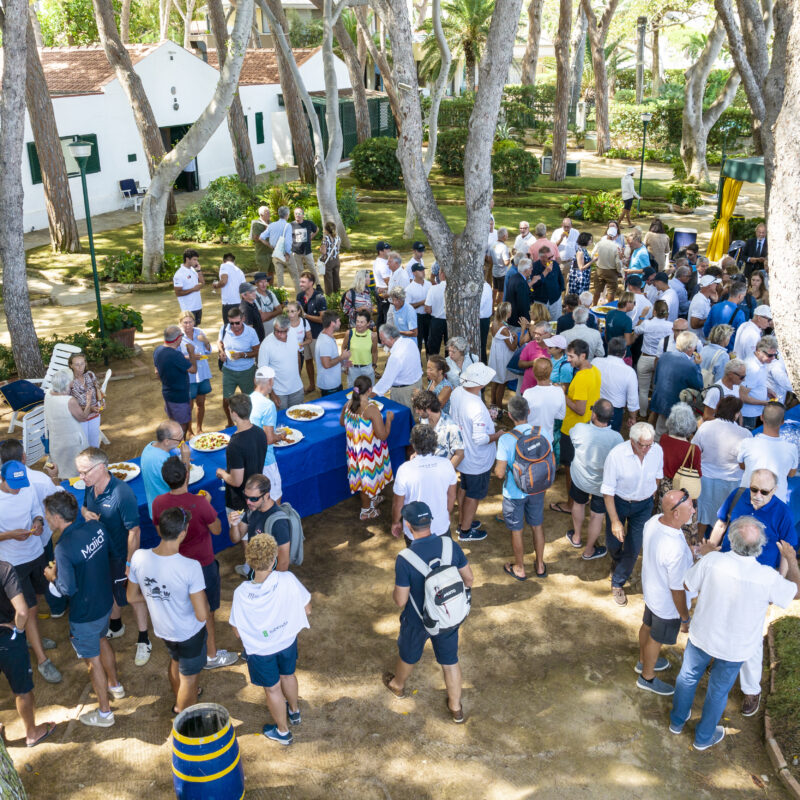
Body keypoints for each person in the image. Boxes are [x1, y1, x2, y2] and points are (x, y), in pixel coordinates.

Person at [669, 517, 799, 750]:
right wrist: (791, 560)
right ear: (760, 547)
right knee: (718, 691)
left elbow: (687, 585)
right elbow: (795, 592)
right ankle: (703, 737)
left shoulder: (712, 561)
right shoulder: (767, 577)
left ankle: (677, 722)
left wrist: (705, 555)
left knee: (687, 677)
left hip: (702, 635)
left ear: (731, 539)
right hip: (735, 647)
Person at [382, 501, 473, 723]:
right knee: (450, 660)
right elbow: (469, 579)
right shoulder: (451, 545)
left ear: (408, 525)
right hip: (447, 617)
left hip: (418, 619)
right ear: (430, 521)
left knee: (409, 654)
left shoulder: (405, 558)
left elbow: (400, 600)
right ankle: (455, 707)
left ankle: (397, 685)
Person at [43, 491, 124, 728]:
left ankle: (105, 712)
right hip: (104, 602)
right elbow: (110, 553)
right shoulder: (96, 528)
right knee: (102, 640)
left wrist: (51, 577)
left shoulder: (63, 548)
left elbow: (66, 589)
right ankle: (115, 685)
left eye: (47, 515)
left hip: (84, 613)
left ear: (57, 517)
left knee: (92, 661)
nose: (46, 519)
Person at [152, 457, 238, 670]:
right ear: (187, 476)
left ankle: (191, 650)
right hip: (202, 565)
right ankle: (211, 655)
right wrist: (207, 505)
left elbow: (160, 532)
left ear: (165, 480)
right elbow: (217, 529)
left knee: (184, 607)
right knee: (206, 610)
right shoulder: (200, 503)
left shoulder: (158, 503)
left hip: (174, 566)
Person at [229, 533, 311, 746]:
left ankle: (283, 732)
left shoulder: (240, 593)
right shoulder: (288, 579)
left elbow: (237, 631)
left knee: (273, 689)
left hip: (261, 651)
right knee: (288, 675)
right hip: (287, 642)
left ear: (249, 561)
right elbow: (307, 608)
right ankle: (294, 711)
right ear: (274, 558)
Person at [128, 507, 209, 715]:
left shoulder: (138, 557)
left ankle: (179, 700)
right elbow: (202, 614)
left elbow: (131, 597)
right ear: (183, 532)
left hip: (163, 630)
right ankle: (183, 716)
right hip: (189, 632)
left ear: (159, 530)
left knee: (175, 660)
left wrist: (157, 600)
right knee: (189, 679)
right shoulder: (190, 566)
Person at [77, 447, 152, 666]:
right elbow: (83, 507)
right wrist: (86, 514)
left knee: (131, 596)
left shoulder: (122, 494)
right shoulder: (90, 487)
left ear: (101, 467)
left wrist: (130, 563)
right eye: (79, 472)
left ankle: (144, 638)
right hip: (99, 555)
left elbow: (134, 532)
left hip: (120, 556)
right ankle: (116, 625)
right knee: (109, 590)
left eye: (85, 472)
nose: (81, 477)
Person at [0, 461, 61, 683]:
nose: (18, 488)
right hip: (13, 564)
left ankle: (29, 634)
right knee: (30, 610)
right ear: (2, 479)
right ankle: (43, 661)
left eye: (21, 482)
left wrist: (38, 522)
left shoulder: (26, 487)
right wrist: (9, 535)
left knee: (37, 599)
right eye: (13, 484)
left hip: (35, 554)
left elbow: (37, 509)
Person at [636, 489, 696, 697]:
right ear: (676, 514)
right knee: (656, 638)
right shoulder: (675, 549)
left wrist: (695, 552)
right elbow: (677, 590)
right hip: (667, 605)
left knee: (647, 625)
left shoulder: (654, 521)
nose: (694, 511)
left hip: (652, 592)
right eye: (690, 508)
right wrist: (684, 617)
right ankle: (647, 677)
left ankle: (643, 661)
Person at [601, 422, 663, 606]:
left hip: (643, 505)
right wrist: (614, 521)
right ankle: (618, 561)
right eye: (642, 445)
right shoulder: (616, 455)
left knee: (634, 546)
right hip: (619, 503)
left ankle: (618, 582)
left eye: (649, 444)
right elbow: (607, 491)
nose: (646, 449)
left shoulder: (657, 451)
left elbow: (658, 475)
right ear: (632, 441)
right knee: (613, 542)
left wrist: (652, 493)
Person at [494, 395, 548, 580]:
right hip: (537, 488)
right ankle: (540, 565)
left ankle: (519, 568)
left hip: (514, 491)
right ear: (529, 412)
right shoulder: (543, 432)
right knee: (537, 526)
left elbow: (500, 473)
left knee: (517, 530)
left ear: (510, 415)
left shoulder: (506, 440)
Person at [449, 363, 502, 542]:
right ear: (479, 384)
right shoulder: (476, 407)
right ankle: (465, 530)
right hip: (477, 460)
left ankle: (463, 522)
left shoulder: (457, 392)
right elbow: (480, 439)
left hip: (463, 454)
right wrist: (497, 435)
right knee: (474, 494)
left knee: (464, 486)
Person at [566, 400, 621, 559]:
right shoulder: (616, 438)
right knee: (597, 515)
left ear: (594, 414)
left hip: (580, 478)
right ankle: (589, 549)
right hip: (602, 484)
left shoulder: (580, 429)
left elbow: (572, 438)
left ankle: (576, 537)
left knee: (578, 504)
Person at [552, 340, 602, 515]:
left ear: (583, 356)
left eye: (572, 356)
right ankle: (581, 499)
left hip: (573, 430)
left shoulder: (580, 378)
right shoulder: (594, 370)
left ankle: (571, 504)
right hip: (588, 428)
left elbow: (580, 409)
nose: (569, 359)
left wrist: (562, 393)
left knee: (570, 470)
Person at [691, 396, 751, 537]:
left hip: (705, 479)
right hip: (731, 483)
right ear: (736, 414)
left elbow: (694, 450)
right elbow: (745, 464)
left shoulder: (706, 427)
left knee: (703, 515)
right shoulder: (745, 434)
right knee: (724, 519)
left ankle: (698, 544)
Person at [341, 375, 394, 521]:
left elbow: (342, 422)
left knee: (362, 478)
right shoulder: (371, 409)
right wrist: (388, 420)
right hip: (369, 454)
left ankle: (373, 498)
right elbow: (382, 435)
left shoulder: (349, 404)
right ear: (370, 390)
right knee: (366, 481)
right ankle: (366, 511)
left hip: (354, 451)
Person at [392, 425, 457, 540]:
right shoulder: (447, 464)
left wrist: (396, 522)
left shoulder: (404, 469)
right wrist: (446, 513)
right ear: (434, 444)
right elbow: (451, 496)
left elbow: (398, 504)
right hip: (441, 526)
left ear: (413, 444)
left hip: (415, 529)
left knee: (416, 558)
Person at [216, 394, 267, 526]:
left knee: (244, 538)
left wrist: (222, 473)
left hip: (241, 500)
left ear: (234, 413)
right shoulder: (260, 432)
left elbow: (236, 481)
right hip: (258, 494)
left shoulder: (235, 444)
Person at [227, 474, 293, 572]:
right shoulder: (252, 509)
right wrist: (234, 525)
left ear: (266, 496)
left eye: (254, 498)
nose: (248, 502)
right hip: (256, 569)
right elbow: (235, 538)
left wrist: (268, 584)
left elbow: (283, 563)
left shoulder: (278, 522)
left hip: (269, 575)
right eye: (246, 496)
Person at [737, 401, 798, 502]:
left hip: (748, 500)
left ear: (761, 417)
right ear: (783, 422)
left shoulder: (747, 443)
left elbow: (742, 466)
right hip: (776, 502)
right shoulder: (791, 448)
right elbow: (791, 474)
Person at [650, 332, 702, 439]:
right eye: (694, 345)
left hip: (661, 399)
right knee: (674, 435)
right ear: (690, 348)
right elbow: (699, 385)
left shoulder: (664, 356)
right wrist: (698, 366)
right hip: (676, 405)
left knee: (659, 431)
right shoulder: (690, 366)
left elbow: (657, 375)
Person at [250, 366, 287, 501]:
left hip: (251, 457)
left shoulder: (248, 399)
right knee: (275, 496)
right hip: (266, 459)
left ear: (255, 381)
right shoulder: (268, 405)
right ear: (271, 381)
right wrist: (280, 436)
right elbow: (269, 439)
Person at [218, 306, 260, 425]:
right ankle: (230, 423)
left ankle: (250, 423)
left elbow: (257, 351)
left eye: (237, 323)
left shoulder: (251, 332)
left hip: (247, 371)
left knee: (249, 400)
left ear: (243, 319)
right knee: (226, 400)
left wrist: (243, 355)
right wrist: (221, 352)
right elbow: (219, 343)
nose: (235, 326)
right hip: (229, 370)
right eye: (232, 323)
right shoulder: (224, 329)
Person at [44, 368, 89, 479]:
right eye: (71, 381)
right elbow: (83, 417)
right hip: (72, 442)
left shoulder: (48, 394)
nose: (73, 383)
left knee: (60, 468)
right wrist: (88, 402)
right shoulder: (69, 400)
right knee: (76, 471)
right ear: (67, 384)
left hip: (56, 440)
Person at [141, 419, 191, 515]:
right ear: (167, 441)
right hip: (169, 513)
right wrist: (185, 460)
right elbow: (183, 487)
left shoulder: (149, 446)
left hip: (155, 507)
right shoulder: (163, 462)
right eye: (179, 439)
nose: (183, 441)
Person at [257, 316, 308, 410]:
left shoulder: (293, 333)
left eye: (283, 331)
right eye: (276, 331)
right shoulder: (266, 345)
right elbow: (262, 373)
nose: (279, 334)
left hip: (297, 389)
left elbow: (297, 354)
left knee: (299, 417)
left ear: (288, 329)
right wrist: (272, 394)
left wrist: (298, 377)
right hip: (278, 393)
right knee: (282, 423)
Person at [154, 325, 197, 433]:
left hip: (167, 393)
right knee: (182, 425)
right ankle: (179, 446)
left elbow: (157, 373)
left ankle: (176, 445)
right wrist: (191, 352)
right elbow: (193, 370)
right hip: (179, 396)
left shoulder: (158, 350)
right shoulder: (175, 355)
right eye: (181, 336)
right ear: (178, 339)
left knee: (173, 421)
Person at [633, 300, 672, 417]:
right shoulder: (670, 326)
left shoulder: (647, 324)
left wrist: (642, 317)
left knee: (643, 390)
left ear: (654, 312)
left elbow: (636, 330)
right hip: (661, 360)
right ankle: (654, 414)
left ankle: (643, 413)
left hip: (645, 358)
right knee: (657, 389)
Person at [372, 324, 423, 409]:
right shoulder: (410, 342)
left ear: (391, 338)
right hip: (417, 385)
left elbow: (385, 382)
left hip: (404, 393)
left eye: (383, 340)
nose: (382, 343)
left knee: (405, 419)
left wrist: (370, 394)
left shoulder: (396, 356)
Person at [594, 337, 639, 431]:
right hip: (614, 411)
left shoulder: (596, 362)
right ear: (624, 353)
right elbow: (632, 400)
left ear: (608, 349)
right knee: (611, 440)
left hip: (594, 405)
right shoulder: (629, 372)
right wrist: (632, 417)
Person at [178, 311, 212, 437]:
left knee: (201, 403)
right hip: (189, 375)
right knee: (189, 406)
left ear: (194, 321)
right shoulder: (179, 337)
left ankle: (199, 429)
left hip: (202, 373)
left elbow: (209, 351)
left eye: (190, 321)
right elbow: (176, 356)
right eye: (185, 322)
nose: (188, 325)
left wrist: (206, 341)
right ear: (180, 323)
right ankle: (189, 431)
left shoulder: (199, 332)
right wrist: (190, 357)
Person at [411, 390, 464, 467]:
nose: (416, 411)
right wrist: (416, 454)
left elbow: (460, 454)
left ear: (428, 409)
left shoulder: (452, 427)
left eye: (419, 409)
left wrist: (446, 472)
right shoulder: (423, 419)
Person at [297, 271, 327, 394]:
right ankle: (312, 385)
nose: (300, 284)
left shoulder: (320, 297)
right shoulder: (299, 296)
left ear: (311, 283)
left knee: (319, 362)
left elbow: (322, 319)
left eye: (303, 282)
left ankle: (323, 386)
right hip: (303, 336)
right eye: (300, 281)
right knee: (308, 361)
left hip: (316, 335)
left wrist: (306, 316)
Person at [522, 358, 566, 444]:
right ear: (550, 372)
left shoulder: (528, 393)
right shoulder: (559, 391)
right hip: (548, 438)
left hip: (529, 437)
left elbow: (523, 416)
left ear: (534, 373)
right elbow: (561, 416)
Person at [739, 335, 778, 429]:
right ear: (759, 351)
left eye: (775, 355)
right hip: (748, 414)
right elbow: (742, 396)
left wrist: (767, 390)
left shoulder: (761, 362)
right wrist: (764, 403)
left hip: (756, 411)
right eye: (770, 355)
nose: (773, 358)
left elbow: (756, 383)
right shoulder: (752, 368)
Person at [68, 352, 104, 449]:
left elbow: (98, 391)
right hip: (79, 417)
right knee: (83, 446)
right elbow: (68, 404)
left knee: (94, 444)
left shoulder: (90, 375)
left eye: (82, 363)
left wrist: (102, 402)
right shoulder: (69, 381)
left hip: (95, 415)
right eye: (77, 364)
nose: (80, 367)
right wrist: (89, 408)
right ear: (71, 365)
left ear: (85, 364)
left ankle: (95, 463)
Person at [261, 206, 298, 292]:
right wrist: (287, 253)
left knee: (280, 278)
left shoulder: (271, 225)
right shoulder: (287, 225)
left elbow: (261, 237)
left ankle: (282, 299)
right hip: (286, 255)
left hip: (276, 254)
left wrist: (270, 246)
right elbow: (288, 242)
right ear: (287, 215)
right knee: (295, 276)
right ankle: (300, 298)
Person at [488, 302, 517, 413]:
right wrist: (514, 337)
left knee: (495, 381)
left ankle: (493, 405)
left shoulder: (494, 323)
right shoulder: (504, 329)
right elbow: (512, 348)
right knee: (501, 382)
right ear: (507, 313)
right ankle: (499, 408)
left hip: (496, 356)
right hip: (502, 358)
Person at [703, 278, 747, 346]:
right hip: (729, 348)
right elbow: (741, 336)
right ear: (740, 296)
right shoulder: (739, 313)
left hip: (713, 345)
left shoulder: (715, 307)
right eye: (744, 296)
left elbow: (706, 328)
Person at [315, 310, 349, 396]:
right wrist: (342, 357)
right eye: (338, 321)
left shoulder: (327, 335)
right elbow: (326, 364)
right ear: (332, 323)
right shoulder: (325, 341)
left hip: (332, 383)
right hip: (329, 386)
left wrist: (343, 364)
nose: (340, 323)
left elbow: (332, 358)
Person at [343, 309, 378, 388]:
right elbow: (343, 348)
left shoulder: (373, 335)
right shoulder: (349, 333)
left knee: (368, 393)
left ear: (368, 323)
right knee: (354, 393)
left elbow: (374, 352)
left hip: (367, 370)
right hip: (353, 370)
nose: (359, 324)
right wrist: (345, 364)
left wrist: (374, 366)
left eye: (362, 322)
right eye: (357, 321)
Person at [592, 226, 624, 304]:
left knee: (597, 290)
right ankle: (610, 308)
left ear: (607, 234)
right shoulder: (616, 247)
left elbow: (593, 254)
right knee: (611, 291)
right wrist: (619, 270)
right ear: (616, 236)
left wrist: (597, 262)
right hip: (611, 271)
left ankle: (594, 305)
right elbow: (617, 262)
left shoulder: (600, 243)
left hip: (600, 269)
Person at [531, 247, 565, 320]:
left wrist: (560, 292)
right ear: (541, 258)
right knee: (541, 322)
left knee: (556, 321)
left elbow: (560, 278)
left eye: (552, 256)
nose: (551, 259)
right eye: (549, 258)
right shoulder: (534, 267)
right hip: (541, 301)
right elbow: (534, 285)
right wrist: (545, 272)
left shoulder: (555, 264)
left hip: (555, 299)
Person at [173, 248, 204, 325]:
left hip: (198, 306)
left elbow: (202, 283)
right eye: (194, 259)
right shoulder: (179, 274)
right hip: (188, 309)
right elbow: (178, 293)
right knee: (188, 330)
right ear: (187, 259)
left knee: (195, 329)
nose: (196, 262)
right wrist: (193, 289)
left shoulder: (193, 270)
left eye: (197, 260)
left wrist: (199, 271)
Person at [213, 253, 246, 324]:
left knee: (228, 325)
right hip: (239, 303)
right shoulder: (240, 271)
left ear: (223, 260)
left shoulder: (224, 266)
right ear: (234, 261)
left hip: (228, 302)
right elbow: (244, 289)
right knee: (238, 324)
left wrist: (216, 286)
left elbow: (224, 281)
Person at [406, 262, 432, 353]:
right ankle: (418, 364)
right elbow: (408, 307)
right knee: (418, 342)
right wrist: (422, 303)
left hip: (429, 316)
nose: (423, 272)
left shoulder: (429, 285)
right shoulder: (409, 289)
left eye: (423, 270)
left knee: (430, 341)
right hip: (417, 317)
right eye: (420, 270)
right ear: (414, 273)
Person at [688, 275, 721, 343]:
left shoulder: (704, 298)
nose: (717, 285)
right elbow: (694, 324)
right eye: (715, 283)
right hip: (697, 342)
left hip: (700, 340)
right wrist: (710, 319)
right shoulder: (700, 301)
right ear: (709, 286)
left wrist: (714, 302)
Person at [424, 265, 448, 354]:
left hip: (436, 321)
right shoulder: (456, 289)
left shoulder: (433, 289)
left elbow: (428, 309)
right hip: (451, 321)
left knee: (433, 347)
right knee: (450, 347)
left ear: (441, 274)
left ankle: (435, 365)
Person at [506, 259, 534, 332]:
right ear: (526, 270)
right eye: (530, 268)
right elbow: (523, 304)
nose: (532, 269)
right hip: (519, 322)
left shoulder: (514, 277)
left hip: (512, 317)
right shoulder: (521, 283)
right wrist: (526, 322)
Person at [290, 207, 318, 280]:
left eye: (299, 214)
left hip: (307, 251)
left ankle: (318, 284)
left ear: (303, 215)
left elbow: (316, 229)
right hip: (296, 252)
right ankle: (302, 285)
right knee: (299, 270)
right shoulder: (291, 225)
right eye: (296, 214)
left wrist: (311, 237)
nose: (297, 215)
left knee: (312, 268)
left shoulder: (309, 223)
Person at [253, 272, 284, 337]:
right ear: (256, 284)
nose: (264, 284)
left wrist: (267, 314)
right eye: (261, 282)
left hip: (274, 330)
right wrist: (275, 312)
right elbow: (262, 318)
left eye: (265, 281)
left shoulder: (270, 293)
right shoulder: (253, 296)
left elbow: (280, 310)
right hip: (262, 332)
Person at [567, 232, 595, 296]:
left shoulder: (584, 250)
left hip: (584, 277)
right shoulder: (580, 252)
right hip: (579, 278)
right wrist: (593, 260)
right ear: (585, 240)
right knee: (579, 296)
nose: (591, 241)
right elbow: (581, 268)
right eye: (590, 239)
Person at [249, 206, 273, 280]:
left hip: (272, 252)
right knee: (262, 275)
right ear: (261, 214)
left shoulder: (271, 223)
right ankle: (260, 290)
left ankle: (271, 290)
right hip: (262, 254)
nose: (269, 213)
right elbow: (255, 238)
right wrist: (266, 231)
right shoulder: (256, 224)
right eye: (267, 212)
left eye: (269, 212)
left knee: (271, 273)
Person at [490, 227, 511, 305]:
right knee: (501, 291)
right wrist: (509, 257)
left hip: (494, 271)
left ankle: (492, 306)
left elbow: (489, 259)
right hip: (502, 272)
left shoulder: (493, 244)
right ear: (504, 236)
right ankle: (499, 307)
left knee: (494, 289)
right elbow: (506, 263)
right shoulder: (504, 247)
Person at [373, 241, 392, 327]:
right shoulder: (382, 264)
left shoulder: (381, 261)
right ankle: (383, 337)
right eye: (387, 249)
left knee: (381, 316)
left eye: (389, 248)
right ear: (381, 251)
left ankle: (380, 338)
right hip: (384, 291)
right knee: (386, 316)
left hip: (381, 289)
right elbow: (387, 280)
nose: (389, 250)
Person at [319, 220, 341, 295]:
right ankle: (337, 294)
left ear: (326, 230)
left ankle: (329, 296)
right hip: (336, 260)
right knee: (336, 278)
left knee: (328, 279)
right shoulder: (338, 238)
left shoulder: (325, 239)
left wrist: (320, 249)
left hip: (328, 261)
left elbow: (324, 251)